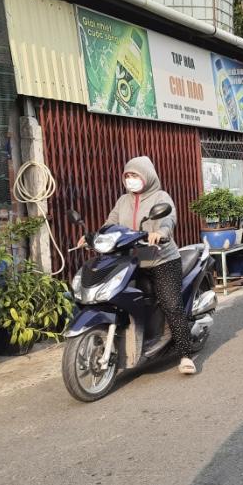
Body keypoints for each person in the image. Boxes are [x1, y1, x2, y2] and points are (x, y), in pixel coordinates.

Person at [93, 156, 197, 374]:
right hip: (132, 262)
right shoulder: (123, 201)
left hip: (162, 260)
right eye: (127, 176)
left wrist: (161, 233)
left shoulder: (161, 197)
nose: (130, 180)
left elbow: (169, 220)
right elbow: (110, 224)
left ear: (146, 176)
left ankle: (186, 355)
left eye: (135, 175)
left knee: (171, 304)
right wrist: (94, 236)